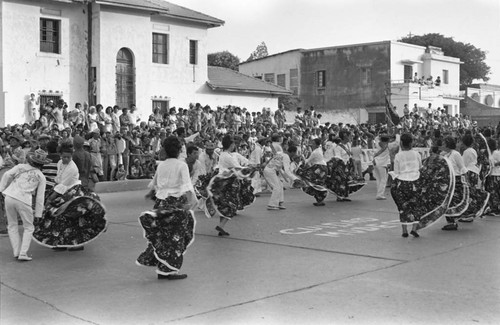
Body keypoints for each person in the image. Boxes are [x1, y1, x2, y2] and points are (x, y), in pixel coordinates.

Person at [136, 136, 197, 280]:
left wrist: (151, 194)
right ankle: (169, 271)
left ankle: (163, 269)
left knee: (162, 237)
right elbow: (188, 185)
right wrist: (190, 203)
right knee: (176, 238)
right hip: (176, 204)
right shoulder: (181, 165)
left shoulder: (162, 165)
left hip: (161, 204)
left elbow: (154, 184)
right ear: (179, 150)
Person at [33, 142, 107, 252]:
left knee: (72, 217)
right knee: (59, 217)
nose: (65, 159)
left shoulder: (72, 168)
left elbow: (63, 185)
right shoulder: (59, 163)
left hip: (73, 191)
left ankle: (76, 243)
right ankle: (61, 243)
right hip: (62, 190)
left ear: (71, 157)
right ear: (60, 155)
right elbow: (59, 180)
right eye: (63, 157)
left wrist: (50, 198)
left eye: (68, 157)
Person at [0, 149, 50, 261]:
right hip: (24, 200)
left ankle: (16, 252)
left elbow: (7, 175)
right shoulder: (41, 176)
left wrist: (2, 189)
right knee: (29, 227)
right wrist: (38, 214)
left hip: (9, 196)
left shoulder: (20, 167)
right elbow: (40, 197)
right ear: (42, 164)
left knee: (12, 225)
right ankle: (23, 253)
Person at [205, 134, 256, 236]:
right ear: (231, 144)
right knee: (231, 206)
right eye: (233, 143)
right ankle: (221, 226)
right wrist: (251, 169)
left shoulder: (227, 154)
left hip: (226, 182)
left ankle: (221, 226)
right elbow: (237, 168)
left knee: (224, 205)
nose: (234, 145)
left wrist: (250, 166)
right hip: (227, 183)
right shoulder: (227, 156)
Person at [390, 133, 422, 237]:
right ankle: (414, 228)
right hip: (415, 181)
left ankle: (404, 230)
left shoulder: (398, 156)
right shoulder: (417, 154)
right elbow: (420, 167)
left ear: (401, 144)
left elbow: (396, 171)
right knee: (416, 205)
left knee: (403, 206)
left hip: (402, 182)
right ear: (412, 143)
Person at [441, 136, 470, 231]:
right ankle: (451, 221)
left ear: (448, 144)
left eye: (444, 143)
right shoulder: (445, 155)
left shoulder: (455, 154)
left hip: (456, 180)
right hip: (448, 180)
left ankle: (453, 222)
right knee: (448, 202)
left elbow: (462, 167)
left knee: (453, 202)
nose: (443, 145)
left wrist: (466, 179)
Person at [372, 134, 390, 200]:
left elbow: (376, 137)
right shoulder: (386, 146)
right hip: (382, 163)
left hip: (376, 161)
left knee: (379, 179)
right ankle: (380, 194)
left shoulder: (377, 143)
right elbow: (384, 148)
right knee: (383, 179)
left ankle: (379, 193)